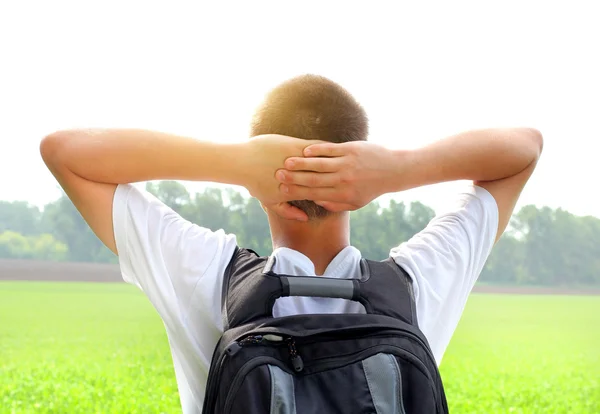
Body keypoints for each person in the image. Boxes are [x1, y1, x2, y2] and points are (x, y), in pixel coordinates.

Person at [40, 74, 543, 413]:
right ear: (360, 168)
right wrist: (397, 170)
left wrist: (236, 163)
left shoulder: (205, 274)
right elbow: (523, 149)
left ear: (264, 187)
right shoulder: (416, 285)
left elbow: (67, 152)